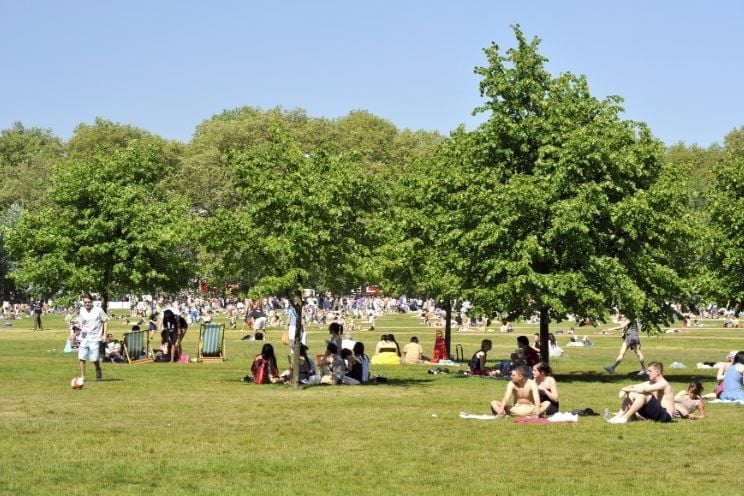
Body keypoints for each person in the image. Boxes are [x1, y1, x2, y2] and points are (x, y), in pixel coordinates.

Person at [607, 362, 673, 424]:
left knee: (644, 395)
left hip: (665, 416)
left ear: (657, 372)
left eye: (650, 371)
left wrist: (625, 389)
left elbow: (644, 390)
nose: (647, 373)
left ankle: (624, 418)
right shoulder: (652, 383)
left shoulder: (664, 384)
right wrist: (625, 389)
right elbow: (633, 386)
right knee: (632, 393)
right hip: (656, 414)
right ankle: (619, 416)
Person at [77, 293, 108, 382]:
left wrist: (104, 334)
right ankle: (82, 377)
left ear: (92, 302)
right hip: (84, 337)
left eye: (89, 302)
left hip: (95, 338)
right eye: (85, 302)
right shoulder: (82, 310)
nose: (87, 304)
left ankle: (98, 369)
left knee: (94, 358)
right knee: (81, 357)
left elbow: (105, 321)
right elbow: (81, 323)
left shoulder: (98, 310)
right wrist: (78, 332)